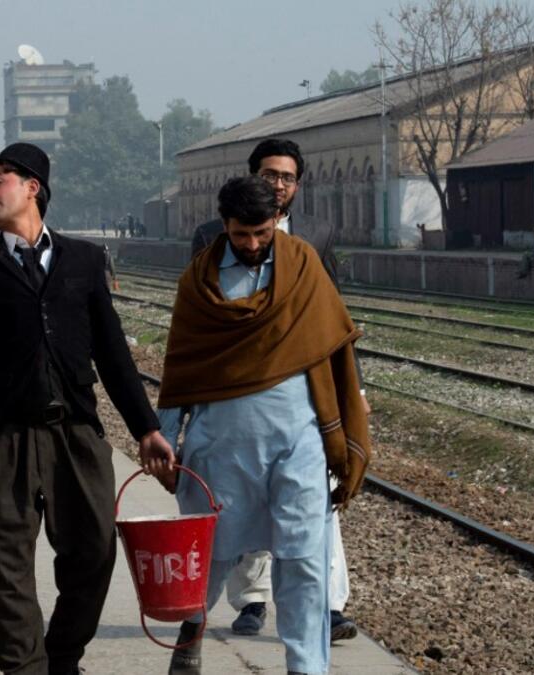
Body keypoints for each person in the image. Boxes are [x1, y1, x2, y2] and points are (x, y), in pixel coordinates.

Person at [0, 143, 175, 675]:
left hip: (75, 435)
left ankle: (61, 656)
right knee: (9, 570)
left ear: (32, 187)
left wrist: (146, 428)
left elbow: (113, 352)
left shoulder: (84, 260)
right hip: (4, 439)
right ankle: (26, 670)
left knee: (94, 553)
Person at [157, 176, 370, 675]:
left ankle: (306, 666)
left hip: (298, 441)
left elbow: (332, 341)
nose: (252, 245)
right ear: (223, 228)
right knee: (210, 557)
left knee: (303, 560)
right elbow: (180, 367)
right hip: (220, 445)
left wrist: (351, 405)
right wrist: (167, 436)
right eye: (240, 235)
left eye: (261, 233)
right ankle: (192, 627)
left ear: (275, 221)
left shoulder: (303, 265)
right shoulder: (199, 283)